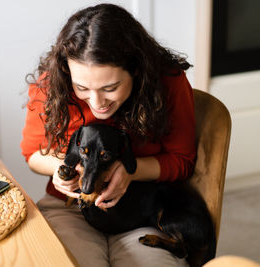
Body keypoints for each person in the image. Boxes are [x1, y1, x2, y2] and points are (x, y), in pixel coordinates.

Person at [20, 3, 195, 267]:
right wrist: (62, 169)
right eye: (82, 88)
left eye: (110, 87)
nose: (97, 102)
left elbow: (182, 160)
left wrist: (130, 171)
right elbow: (33, 152)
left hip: (143, 210)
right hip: (71, 209)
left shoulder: (167, 81)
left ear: (136, 70)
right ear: (67, 73)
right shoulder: (50, 86)